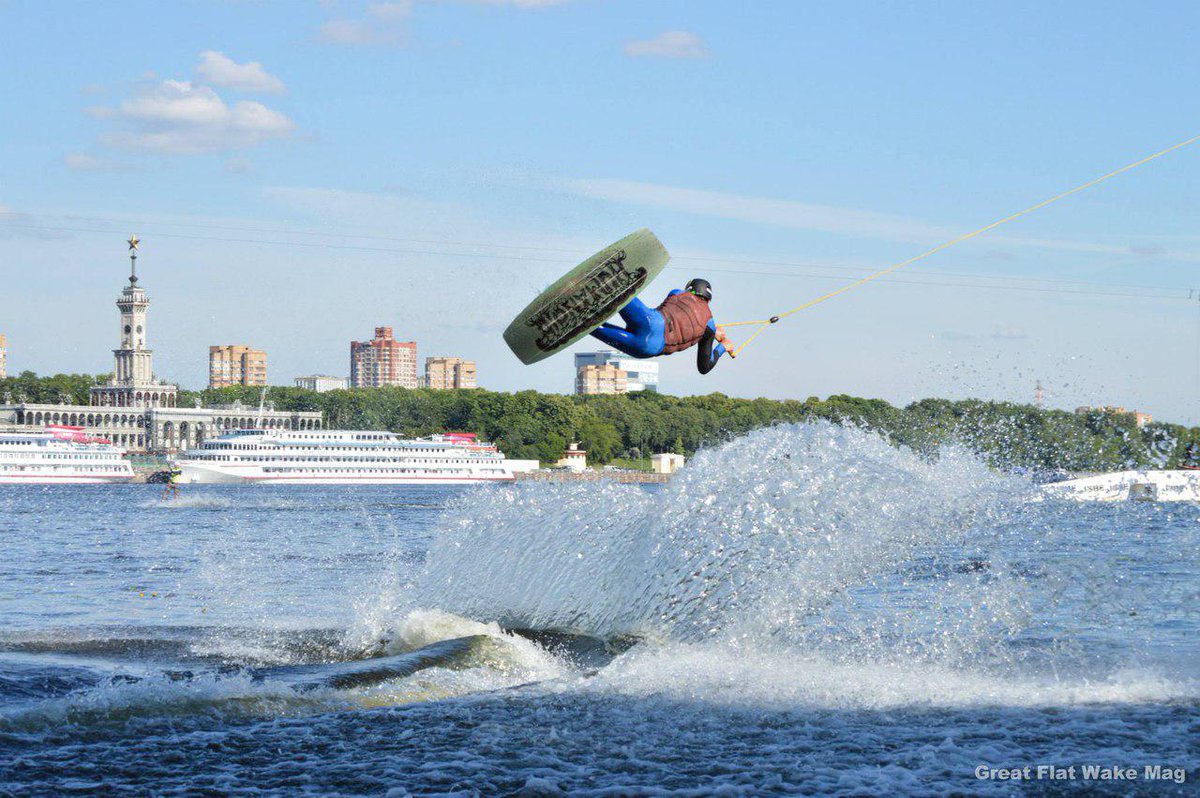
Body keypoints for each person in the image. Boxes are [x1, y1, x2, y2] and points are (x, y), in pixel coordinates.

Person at [590, 278, 729, 374]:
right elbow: (704, 367)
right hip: (646, 349)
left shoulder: (678, 292)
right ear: (708, 299)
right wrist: (723, 346)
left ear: (690, 289)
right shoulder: (709, 327)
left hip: (650, 323)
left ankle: (597, 285)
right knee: (591, 327)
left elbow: (668, 311)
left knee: (619, 293)